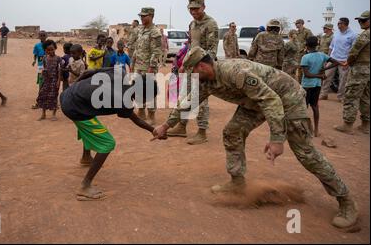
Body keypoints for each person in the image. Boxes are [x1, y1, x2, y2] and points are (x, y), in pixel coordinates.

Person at [153, 46, 358, 229]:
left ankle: (345, 200)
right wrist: (166, 125)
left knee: (305, 154)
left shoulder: (236, 72)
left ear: (202, 66)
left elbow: (272, 100)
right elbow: (189, 102)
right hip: (254, 103)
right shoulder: (206, 81)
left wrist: (277, 138)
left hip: (287, 98)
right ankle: (237, 182)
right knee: (232, 132)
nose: (191, 76)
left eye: (192, 71)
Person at [60, 67, 164, 200]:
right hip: (73, 108)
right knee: (107, 143)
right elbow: (135, 119)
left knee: (91, 121)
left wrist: (75, 89)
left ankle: (86, 157)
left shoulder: (119, 73)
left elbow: (87, 73)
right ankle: (84, 187)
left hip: (68, 95)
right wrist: (153, 130)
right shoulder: (123, 101)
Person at [166, 0, 219, 144]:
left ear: (203, 7)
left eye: (196, 8)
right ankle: (182, 126)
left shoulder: (211, 24)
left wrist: (202, 69)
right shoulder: (192, 24)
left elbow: (212, 51)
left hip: (202, 69)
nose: (193, 11)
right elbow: (190, 46)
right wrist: (184, 64)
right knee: (184, 98)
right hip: (190, 67)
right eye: (191, 9)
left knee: (200, 100)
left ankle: (202, 132)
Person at [335, 11, 370, 135]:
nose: (360, 22)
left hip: (360, 70)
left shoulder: (365, 35)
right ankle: (366, 125)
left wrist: (348, 62)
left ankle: (348, 125)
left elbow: (354, 52)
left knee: (351, 95)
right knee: (366, 97)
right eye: (359, 20)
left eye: (363, 20)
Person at [300, 36, 341, 137]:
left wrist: (320, 74)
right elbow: (337, 62)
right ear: (317, 44)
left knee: (303, 108)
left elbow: (307, 74)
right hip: (317, 85)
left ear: (306, 45)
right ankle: (316, 130)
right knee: (315, 107)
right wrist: (323, 71)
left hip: (306, 85)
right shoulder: (322, 55)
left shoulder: (305, 57)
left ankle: (304, 130)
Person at [132, 7, 162, 126]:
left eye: (144, 16)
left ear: (151, 16)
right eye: (141, 16)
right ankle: (141, 111)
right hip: (139, 65)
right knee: (138, 88)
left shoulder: (155, 32)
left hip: (148, 66)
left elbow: (156, 51)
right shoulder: (140, 29)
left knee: (149, 90)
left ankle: (151, 115)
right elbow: (138, 47)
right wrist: (133, 60)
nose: (142, 18)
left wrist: (152, 66)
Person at [320, 18, 357, 101]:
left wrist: (348, 61)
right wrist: (328, 59)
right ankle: (324, 94)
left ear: (345, 24)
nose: (338, 25)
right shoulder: (336, 34)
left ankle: (341, 97)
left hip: (344, 61)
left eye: (340, 23)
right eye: (338, 23)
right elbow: (331, 47)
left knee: (343, 79)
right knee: (326, 77)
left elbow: (353, 50)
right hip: (333, 59)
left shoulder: (353, 35)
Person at [37, 40, 63, 121]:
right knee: (43, 96)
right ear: (45, 50)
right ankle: (43, 114)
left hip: (54, 81)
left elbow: (59, 71)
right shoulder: (45, 58)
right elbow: (44, 68)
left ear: (55, 48)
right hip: (46, 80)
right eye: (48, 50)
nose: (50, 51)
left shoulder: (58, 59)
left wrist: (58, 81)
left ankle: (54, 115)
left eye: (52, 49)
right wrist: (42, 78)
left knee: (54, 96)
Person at [31, 31, 47, 109]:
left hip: (49, 66)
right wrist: (34, 60)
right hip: (40, 66)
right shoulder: (37, 46)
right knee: (41, 83)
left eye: (44, 35)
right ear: (39, 37)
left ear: (46, 36)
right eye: (41, 35)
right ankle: (40, 101)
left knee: (48, 82)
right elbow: (35, 54)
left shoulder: (49, 44)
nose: (43, 37)